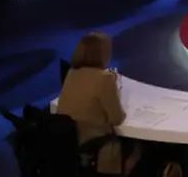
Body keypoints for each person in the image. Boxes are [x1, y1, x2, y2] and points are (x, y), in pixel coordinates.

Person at [56, 33, 141, 176]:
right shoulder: (105, 79)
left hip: (70, 144)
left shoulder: (72, 73)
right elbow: (117, 118)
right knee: (139, 148)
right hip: (98, 146)